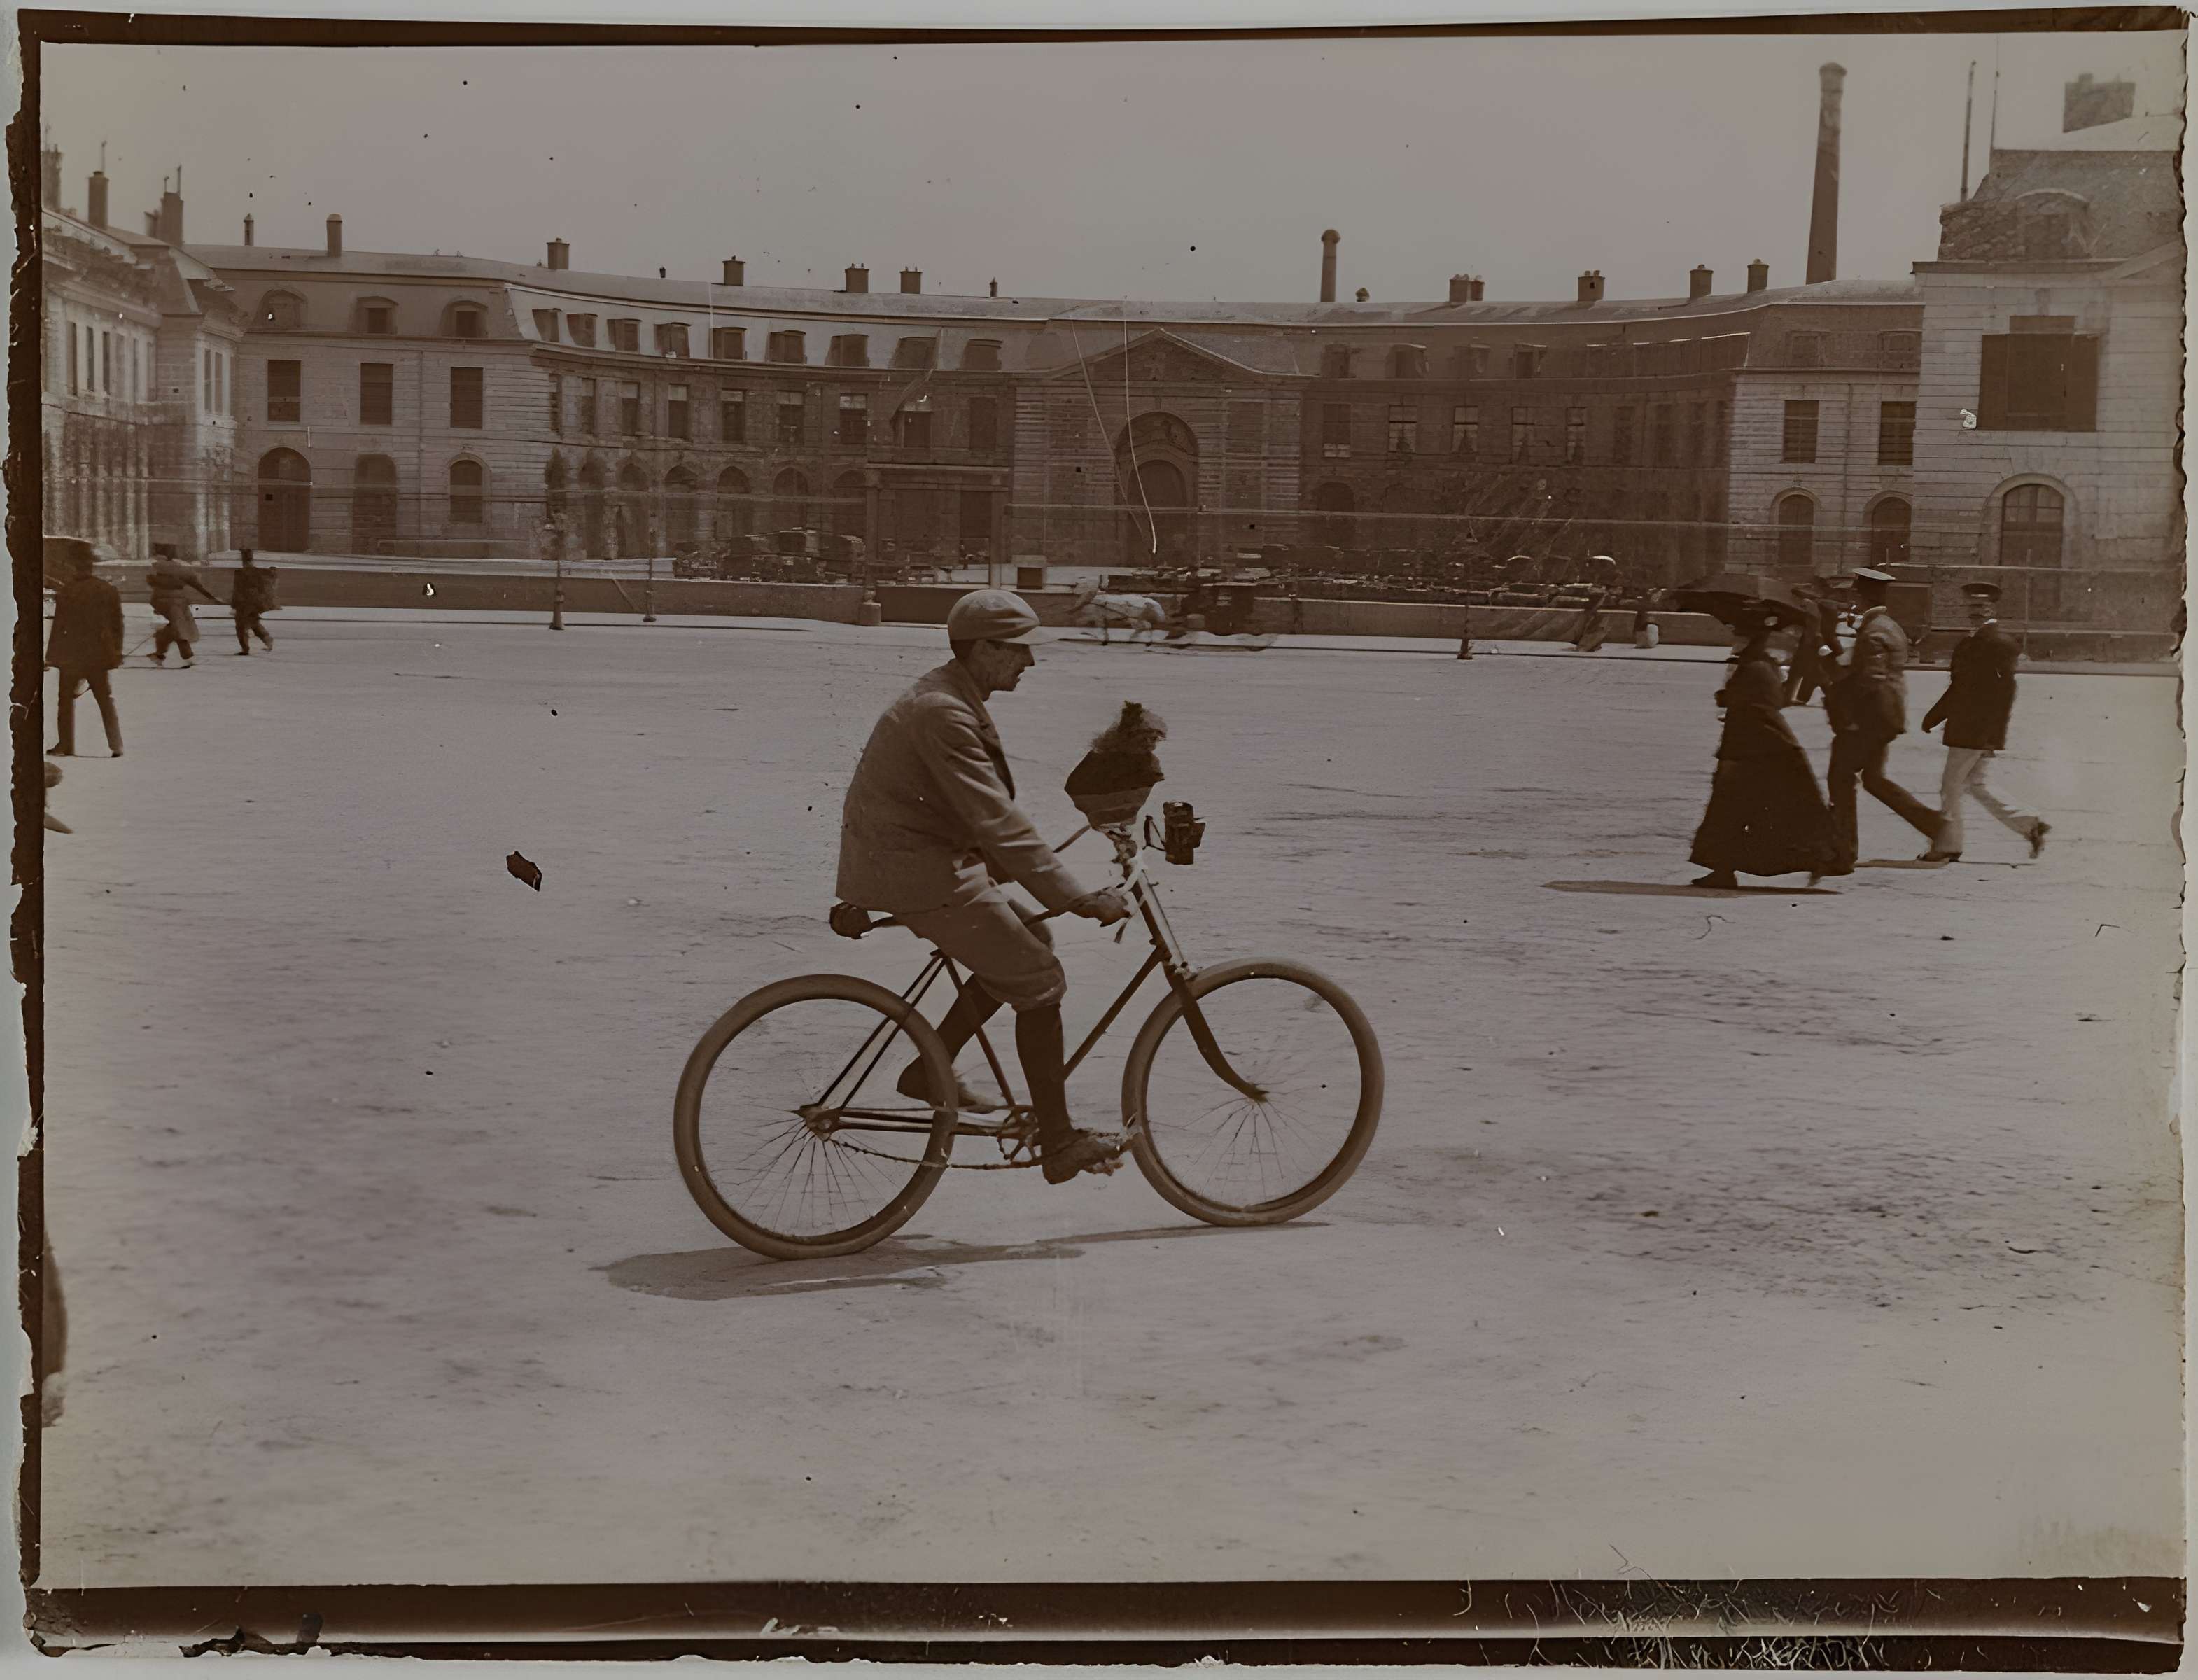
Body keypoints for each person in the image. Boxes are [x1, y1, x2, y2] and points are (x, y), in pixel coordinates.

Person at [835, 589, 1133, 1185]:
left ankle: (930, 1067)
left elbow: (980, 816)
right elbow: (994, 817)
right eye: (1020, 651)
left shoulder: (951, 694)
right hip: (919, 870)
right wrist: (1076, 895)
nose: (1030, 663)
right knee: (1040, 979)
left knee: (1029, 935)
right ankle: (1058, 1141)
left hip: (922, 857)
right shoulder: (943, 711)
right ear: (984, 649)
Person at [1688, 602, 1847, 888]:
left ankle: (1726, 869)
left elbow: (1759, 711)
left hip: (1754, 751)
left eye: (1740, 635)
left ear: (1751, 638)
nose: (1735, 639)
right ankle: (1723, 870)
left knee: (1731, 813)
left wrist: (1730, 701)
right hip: (1756, 750)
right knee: (1735, 814)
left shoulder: (1755, 667)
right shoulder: (1757, 664)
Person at [1918, 582, 2049, 863]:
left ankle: (1947, 846)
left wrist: (1987, 734)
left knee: (1951, 786)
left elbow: (2001, 694)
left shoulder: (1997, 643)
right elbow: (1961, 685)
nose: (1975, 612)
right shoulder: (1977, 641)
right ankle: (2030, 824)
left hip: (1973, 730)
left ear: (1993, 608)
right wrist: (1937, 714)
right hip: (1975, 728)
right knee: (1975, 784)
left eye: (1981, 607)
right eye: (1971, 606)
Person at [1826, 567, 1943, 863]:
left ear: (1863, 595)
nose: (1852, 599)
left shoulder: (1875, 629)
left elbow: (1872, 679)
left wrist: (1851, 717)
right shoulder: (1887, 624)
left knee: (1840, 777)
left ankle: (1842, 851)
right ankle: (1934, 824)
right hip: (1887, 715)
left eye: (1855, 593)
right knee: (1874, 779)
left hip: (1871, 717)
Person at [46, 545, 123, 757]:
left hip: (71, 654)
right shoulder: (107, 589)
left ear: (74, 568)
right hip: (98, 654)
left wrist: (51, 656)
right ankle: (116, 745)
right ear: (91, 568)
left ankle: (66, 745)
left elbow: (59, 626)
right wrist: (116, 652)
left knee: (65, 700)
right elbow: (117, 625)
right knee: (105, 699)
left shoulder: (67, 590)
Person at [146, 545, 218, 666]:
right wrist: (210, 596)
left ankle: (159, 655)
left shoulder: (154, 567)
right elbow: (196, 583)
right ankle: (187, 655)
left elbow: (150, 581)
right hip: (176, 601)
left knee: (174, 628)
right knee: (180, 628)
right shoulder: (180, 569)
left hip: (160, 601)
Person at [1784, 581, 1837, 707]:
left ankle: (1833, 698)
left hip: (1809, 645)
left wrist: (1819, 643)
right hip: (1807, 645)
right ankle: (1794, 698)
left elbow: (1814, 628)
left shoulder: (1810, 607)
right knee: (1804, 673)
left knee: (1812, 674)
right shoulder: (1811, 607)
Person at [230, 547, 277, 655]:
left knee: (241, 626)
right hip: (255, 603)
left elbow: (237, 589)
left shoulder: (239, 573)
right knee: (254, 624)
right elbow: (262, 588)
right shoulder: (258, 572)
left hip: (243, 603)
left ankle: (245, 649)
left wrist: (234, 604)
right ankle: (267, 640)